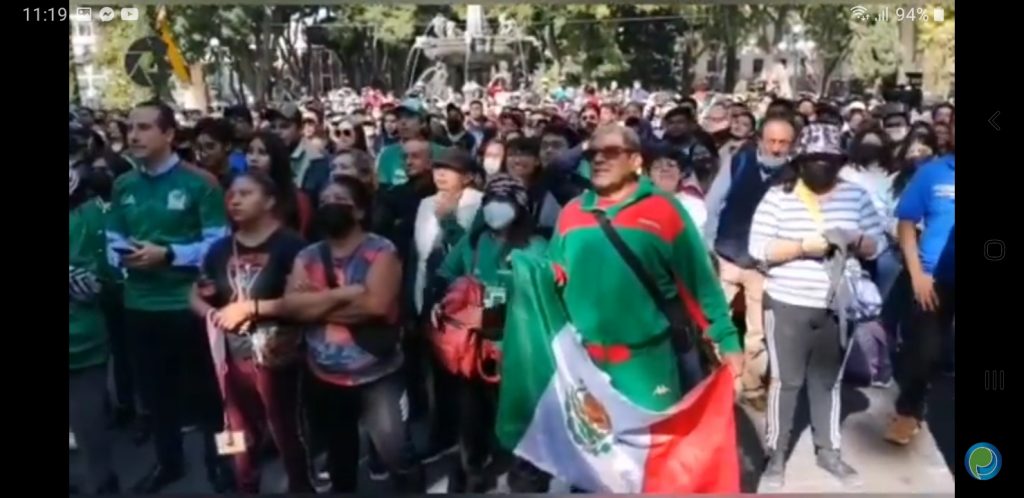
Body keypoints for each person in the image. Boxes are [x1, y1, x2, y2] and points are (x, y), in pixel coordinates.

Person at [531, 124, 741, 490]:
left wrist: (727, 340)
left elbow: (700, 283)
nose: (598, 159)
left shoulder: (664, 210)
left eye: (610, 153)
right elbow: (552, 278)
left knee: (651, 472)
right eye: (593, 153)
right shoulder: (572, 213)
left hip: (648, 369)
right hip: (585, 372)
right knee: (592, 470)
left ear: (635, 161)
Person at [749, 123, 885, 489]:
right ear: (800, 161)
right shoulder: (778, 197)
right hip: (788, 303)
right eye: (814, 159)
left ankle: (829, 452)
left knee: (828, 382)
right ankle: (775, 458)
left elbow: (879, 244)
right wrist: (801, 247)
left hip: (838, 306)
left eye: (829, 159)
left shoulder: (855, 197)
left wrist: (856, 240)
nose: (821, 165)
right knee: (785, 382)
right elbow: (758, 248)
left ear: (840, 161)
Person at [106, 100, 232, 493]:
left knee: (215, 397)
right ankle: (168, 462)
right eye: (130, 127)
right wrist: (126, 257)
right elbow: (111, 240)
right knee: (156, 396)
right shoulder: (123, 184)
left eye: (144, 128)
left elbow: (219, 243)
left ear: (169, 135)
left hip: (191, 307)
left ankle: (226, 461)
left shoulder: (200, 183)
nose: (133, 135)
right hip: (140, 307)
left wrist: (170, 255)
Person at [283, 175, 424, 492]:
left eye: (339, 201)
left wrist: (314, 303)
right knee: (339, 456)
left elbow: (374, 306)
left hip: (377, 373)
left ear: (359, 211)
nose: (329, 206)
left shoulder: (381, 251)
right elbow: (292, 307)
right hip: (325, 375)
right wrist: (344, 296)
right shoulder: (308, 255)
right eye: (324, 202)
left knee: (394, 450)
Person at [189, 171, 312, 493]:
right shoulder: (219, 248)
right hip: (231, 358)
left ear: (269, 200)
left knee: (286, 429)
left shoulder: (292, 246)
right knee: (234, 428)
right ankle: (243, 483)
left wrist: (251, 310)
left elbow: (306, 301)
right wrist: (214, 313)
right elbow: (196, 294)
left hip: (279, 355)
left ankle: (301, 484)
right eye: (232, 195)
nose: (235, 200)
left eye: (246, 193)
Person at [433, 173, 549, 492]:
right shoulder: (475, 239)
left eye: (504, 202)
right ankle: (472, 471)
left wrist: (513, 279)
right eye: (490, 201)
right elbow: (447, 274)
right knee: (470, 416)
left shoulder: (536, 247)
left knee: (516, 413)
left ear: (520, 208)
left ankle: (525, 470)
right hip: (472, 346)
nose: (495, 209)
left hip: (516, 347)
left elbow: (543, 292)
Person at [702, 116, 797, 409]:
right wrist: (709, 249)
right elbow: (714, 204)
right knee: (715, 325)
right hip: (727, 257)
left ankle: (753, 386)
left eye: (783, 143)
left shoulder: (797, 175)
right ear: (760, 140)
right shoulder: (738, 163)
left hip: (765, 267)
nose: (777, 148)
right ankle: (719, 382)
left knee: (758, 334)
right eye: (772, 141)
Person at [884, 118, 955, 446]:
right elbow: (907, 222)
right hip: (932, 279)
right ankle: (908, 411)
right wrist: (916, 275)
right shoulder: (933, 172)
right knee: (923, 351)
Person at [413, 147, 484, 460]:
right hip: (430, 298)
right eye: (437, 167)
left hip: (465, 305)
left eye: (449, 169)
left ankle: (474, 448)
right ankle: (442, 435)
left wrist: (450, 221)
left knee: (469, 379)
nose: (440, 173)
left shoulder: (481, 206)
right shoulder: (425, 204)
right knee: (438, 374)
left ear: (467, 176)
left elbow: (471, 257)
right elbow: (419, 257)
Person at [69, 168, 120, 495]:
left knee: (89, 428)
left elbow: (97, 283)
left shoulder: (90, 220)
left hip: (82, 343)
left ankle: (103, 485)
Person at [245, 131, 313, 237]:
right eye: (249, 152)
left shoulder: (297, 199)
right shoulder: (237, 194)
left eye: (262, 153)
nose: (253, 158)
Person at [264, 103, 332, 205]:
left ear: (300, 129)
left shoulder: (315, 159)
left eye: (284, 126)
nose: (277, 132)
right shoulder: (267, 153)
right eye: (273, 127)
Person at [501, 137, 562, 237]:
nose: (517, 160)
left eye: (523, 155)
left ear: (537, 161)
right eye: (511, 155)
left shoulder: (545, 199)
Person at [377, 99, 445, 188]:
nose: (403, 122)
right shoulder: (387, 154)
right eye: (399, 117)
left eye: (410, 117)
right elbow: (382, 189)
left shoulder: (442, 153)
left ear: (423, 122)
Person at [647, 148, 708, 233]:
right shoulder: (639, 204)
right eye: (658, 166)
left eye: (671, 165)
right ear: (649, 176)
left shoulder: (694, 205)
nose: (665, 169)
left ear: (681, 174)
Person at [196, 117, 238, 190]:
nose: (203, 153)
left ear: (227, 146)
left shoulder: (239, 181)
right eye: (200, 148)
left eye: (210, 147)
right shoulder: (196, 178)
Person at [224, 105, 254, 175]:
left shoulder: (261, 144)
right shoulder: (226, 152)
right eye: (231, 122)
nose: (234, 125)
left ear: (250, 124)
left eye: (239, 121)